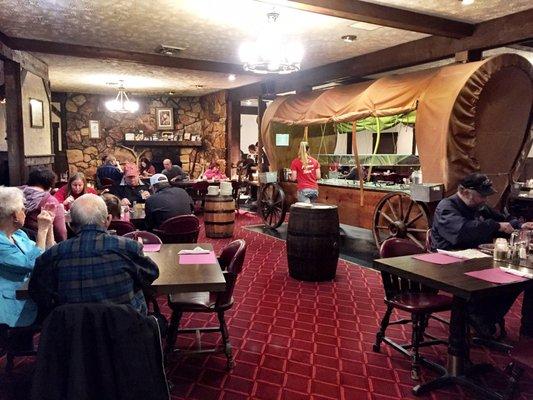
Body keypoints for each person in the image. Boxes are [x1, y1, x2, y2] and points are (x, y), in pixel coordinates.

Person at [431, 173, 533, 339]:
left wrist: (520, 225)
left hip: (476, 258)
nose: (484, 200)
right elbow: (462, 232)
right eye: (481, 195)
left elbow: (503, 219)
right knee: (507, 279)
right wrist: (496, 226)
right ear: (464, 191)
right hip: (450, 261)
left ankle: (495, 321)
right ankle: (478, 316)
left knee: (520, 280)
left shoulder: (478, 206)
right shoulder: (446, 206)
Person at [28, 194, 159, 317]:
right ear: (108, 220)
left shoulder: (53, 254)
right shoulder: (129, 247)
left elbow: (37, 292)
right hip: (123, 330)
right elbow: (151, 274)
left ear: (71, 225)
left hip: (72, 331)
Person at [0, 187, 55, 329]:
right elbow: (33, 263)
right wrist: (41, 230)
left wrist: (49, 228)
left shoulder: (19, 235)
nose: (26, 212)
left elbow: (48, 256)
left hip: (30, 296)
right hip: (12, 306)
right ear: (14, 216)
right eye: (23, 210)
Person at [22, 167, 67, 242]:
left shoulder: (15, 194)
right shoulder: (51, 202)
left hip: (14, 241)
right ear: (50, 184)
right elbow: (61, 232)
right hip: (40, 242)